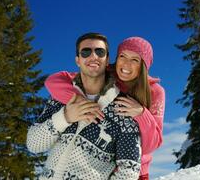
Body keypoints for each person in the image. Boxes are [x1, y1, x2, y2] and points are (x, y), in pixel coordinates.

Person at [45, 36, 165, 180]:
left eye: (135, 60)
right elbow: (54, 81)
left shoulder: (154, 92)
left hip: (132, 172)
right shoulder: (104, 75)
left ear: (144, 66)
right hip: (94, 168)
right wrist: (80, 101)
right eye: (123, 56)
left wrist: (141, 114)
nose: (126, 64)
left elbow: (152, 145)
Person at [26, 33, 141, 179]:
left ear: (107, 61)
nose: (93, 56)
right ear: (78, 60)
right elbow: (34, 145)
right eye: (86, 52)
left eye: (100, 52)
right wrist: (65, 117)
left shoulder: (124, 109)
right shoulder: (60, 98)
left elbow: (129, 172)